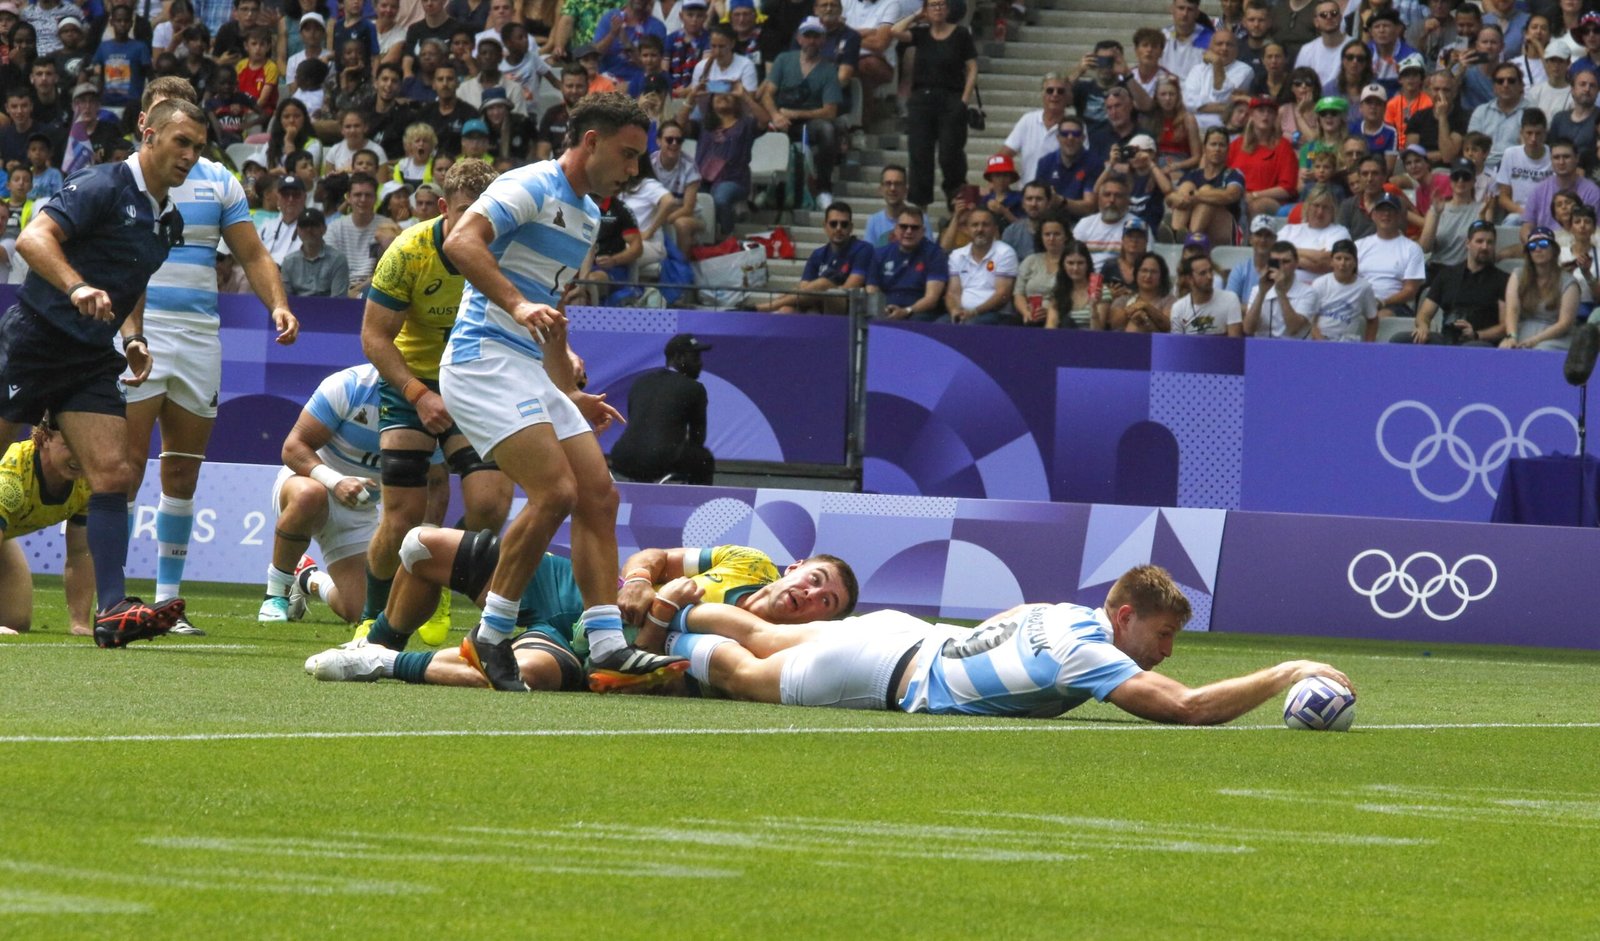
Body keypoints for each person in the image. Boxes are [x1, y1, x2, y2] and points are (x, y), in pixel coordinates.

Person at [438, 91, 678, 691]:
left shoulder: (592, 216)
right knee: (555, 492)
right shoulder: (533, 184)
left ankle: (605, 644)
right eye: (626, 155)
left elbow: (549, 322)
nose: (633, 170)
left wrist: (567, 390)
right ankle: (490, 634)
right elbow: (461, 243)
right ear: (590, 142)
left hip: (524, 367)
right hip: (480, 360)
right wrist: (517, 304)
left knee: (599, 495)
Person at [651, 563, 1353, 727]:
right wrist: (1289, 668)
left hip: (911, 632)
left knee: (767, 630)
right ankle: (652, 650)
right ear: (1126, 614)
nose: (1167, 651)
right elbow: (1189, 708)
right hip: (894, 668)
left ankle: (666, 609)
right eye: (1162, 634)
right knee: (746, 674)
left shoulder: (1066, 610)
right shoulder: (1090, 652)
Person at [0, 97, 206, 647]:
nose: (190, 156)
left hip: (90, 356)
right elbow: (32, 238)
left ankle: (113, 609)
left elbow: (130, 281)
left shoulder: (169, 222)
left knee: (115, 474)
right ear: (150, 135)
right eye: (181, 142)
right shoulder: (101, 186)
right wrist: (77, 287)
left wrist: (133, 336)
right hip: (37, 340)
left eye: (198, 149)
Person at [117, 80, 300, 638]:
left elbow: (253, 252)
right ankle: (113, 596)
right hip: (138, 335)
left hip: (199, 339)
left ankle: (168, 604)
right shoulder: (123, 175)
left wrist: (279, 305)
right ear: (150, 119)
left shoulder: (219, 180)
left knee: (181, 472)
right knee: (122, 472)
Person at [304, 537, 858, 689]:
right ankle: (378, 640)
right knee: (421, 547)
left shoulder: (752, 642)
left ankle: (379, 664)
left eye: (823, 603)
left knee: (525, 676)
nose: (810, 596)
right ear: (795, 566)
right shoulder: (749, 560)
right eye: (815, 580)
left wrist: (661, 610)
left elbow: (659, 657)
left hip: (589, 641)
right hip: (584, 588)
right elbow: (657, 555)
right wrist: (641, 578)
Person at [355, 159, 510, 632]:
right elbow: (375, 337)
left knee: (490, 505)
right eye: (464, 212)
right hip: (413, 383)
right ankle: (371, 618)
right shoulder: (408, 251)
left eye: (485, 214)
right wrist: (419, 394)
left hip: (477, 384)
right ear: (443, 208)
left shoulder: (506, 250)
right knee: (401, 518)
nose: (474, 225)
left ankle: (432, 579)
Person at [258, 363, 407, 625]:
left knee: (360, 613)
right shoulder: (348, 386)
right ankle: (275, 594)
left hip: (359, 511)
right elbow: (292, 448)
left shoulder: (429, 403)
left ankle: (308, 578)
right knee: (309, 495)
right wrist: (335, 482)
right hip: (310, 483)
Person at [0, 418, 91, 636]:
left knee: (16, 620)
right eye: (70, 444)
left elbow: (80, 554)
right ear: (45, 438)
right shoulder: (11, 475)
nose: (79, 455)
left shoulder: (87, 482)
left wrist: (80, 623)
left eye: (84, 445)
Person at [892, 0, 978, 211]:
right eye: (933, 5)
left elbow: (972, 68)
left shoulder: (960, 34)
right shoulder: (921, 34)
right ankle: (920, 207)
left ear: (948, 9)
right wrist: (916, 16)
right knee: (920, 153)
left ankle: (956, 201)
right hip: (922, 99)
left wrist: (964, 101)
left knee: (951, 152)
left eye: (941, 4)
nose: (938, 8)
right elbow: (895, 31)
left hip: (951, 97)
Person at [758, 16, 844, 210]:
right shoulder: (784, 60)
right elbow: (767, 94)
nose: (811, 41)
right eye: (808, 36)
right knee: (751, 125)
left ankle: (823, 189)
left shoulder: (829, 69)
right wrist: (775, 115)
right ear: (799, 38)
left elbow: (830, 111)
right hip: (779, 119)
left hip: (808, 123)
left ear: (823, 40)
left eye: (816, 36)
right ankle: (761, 187)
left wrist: (795, 114)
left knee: (827, 130)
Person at [609, 332, 714, 485]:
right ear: (679, 358)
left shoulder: (641, 382)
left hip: (622, 457)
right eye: (695, 358)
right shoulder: (694, 388)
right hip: (658, 460)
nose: (700, 363)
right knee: (704, 459)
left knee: (652, 451)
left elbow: (637, 424)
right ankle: (697, 506)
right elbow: (697, 438)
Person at [1405, 218, 1510, 344]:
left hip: (1480, 342)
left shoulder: (1503, 279)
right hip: (1447, 338)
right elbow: (1424, 314)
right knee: (1400, 340)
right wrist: (1423, 327)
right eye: (1479, 241)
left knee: (1473, 347)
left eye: (1490, 242)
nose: (1484, 247)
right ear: (1467, 243)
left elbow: (1505, 326)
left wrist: (1476, 334)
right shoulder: (1447, 275)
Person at [690, 85, 768, 241]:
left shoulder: (745, 124)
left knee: (720, 198)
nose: (722, 96)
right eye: (717, 93)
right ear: (711, 101)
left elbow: (765, 120)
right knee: (696, 200)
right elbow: (679, 125)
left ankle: (727, 237)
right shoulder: (704, 124)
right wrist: (690, 97)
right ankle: (706, 240)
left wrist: (746, 96)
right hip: (703, 180)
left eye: (728, 94)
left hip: (734, 179)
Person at [1501, 225, 1579, 348]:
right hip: (1523, 330)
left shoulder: (1568, 282)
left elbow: (1565, 323)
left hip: (1555, 336)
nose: (1537, 249)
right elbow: (1512, 310)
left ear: (1554, 250)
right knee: (1505, 349)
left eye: (1543, 244)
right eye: (1532, 246)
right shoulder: (1517, 275)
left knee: (1541, 349)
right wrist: (1511, 336)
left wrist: (1534, 340)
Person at [866, 206, 948, 321]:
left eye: (914, 228)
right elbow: (872, 288)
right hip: (887, 310)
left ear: (923, 231)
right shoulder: (880, 253)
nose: (909, 231)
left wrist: (907, 311)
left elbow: (931, 299)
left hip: (919, 314)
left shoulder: (935, 254)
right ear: (895, 229)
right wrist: (883, 309)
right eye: (903, 226)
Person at [1170, 126, 1247, 246]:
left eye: (1221, 145)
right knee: (1186, 187)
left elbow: (1231, 195)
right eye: (1213, 144)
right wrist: (1179, 198)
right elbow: (1171, 198)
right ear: (1204, 148)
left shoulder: (1233, 174)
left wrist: (1197, 195)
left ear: (1228, 150)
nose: (1217, 149)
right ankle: (1176, 237)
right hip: (1197, 224)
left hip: (1227, 231)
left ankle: (1191, 242)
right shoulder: (1193, 174)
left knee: (1206, 193)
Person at [1355, 191, 1426, 318]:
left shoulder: (1412, 249)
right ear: (1374, 215)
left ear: (1399, 216)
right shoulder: (1359, 246)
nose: (1386, 214)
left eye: (1391, 210)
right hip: (1360, 303)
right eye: (1381, 210)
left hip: (1395, 306)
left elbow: (1410, 291)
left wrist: (1383, 302)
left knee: (1381, 316)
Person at [945, 207, 1019, 325]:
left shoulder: (1005, 252)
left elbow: (1002, 295)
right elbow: (952, 293)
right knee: (938, 326)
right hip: (964, 313)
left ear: (995, 229)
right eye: (975, 225)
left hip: (996, 314)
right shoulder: (957, 255)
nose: (980, 229)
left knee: (971, 326)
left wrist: (974, 312)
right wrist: (955, 311)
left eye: (985, 225)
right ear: (967, 229)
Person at [998, 73, 1073, 188]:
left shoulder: (1075, 126)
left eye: (1060, 91)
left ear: (1067, 96)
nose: (1055, 94)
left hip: (1060, 196)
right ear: (1042, 94)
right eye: (1050, 90)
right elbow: (1004, 155)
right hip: (1026, 196)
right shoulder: (1028, 120)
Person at [1228, 96, 1300, 215]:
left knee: (1255, 206)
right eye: (1261, 110)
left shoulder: (1283, 146)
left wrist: (1255, 195)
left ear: (1275, 117)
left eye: (1270, 112)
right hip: (1237, 196)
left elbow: (1288, 188)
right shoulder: (1237, 144)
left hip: (1269, 200)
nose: (1265, 115)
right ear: (1251, 114)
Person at [1421, 158, 1490, 268]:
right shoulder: (1436, 208)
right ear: (1450, 180)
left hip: (1466, 271)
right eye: (1456, 176)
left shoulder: (1483, 209)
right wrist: (1437, 214)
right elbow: (1425, 247)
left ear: (1473, 181)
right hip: (1438, 268)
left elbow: (1484, 246)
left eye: (1466, 177)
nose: (1460, 180)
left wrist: (1482, 217)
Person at [1244, 240, 1320, 337]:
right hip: (1263, 347)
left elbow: (1293, 328)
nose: (1281, 267)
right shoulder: (1257, 290)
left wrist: (1281, 292)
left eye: (1285, 262)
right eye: (1275, 262)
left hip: (1294, 349)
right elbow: (1248, 329)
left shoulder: (1309, 293)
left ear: (1296, 263)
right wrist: (1261, 293)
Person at [1309, 237, 1380, 340]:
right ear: (1331, 261)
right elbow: (1311, 319)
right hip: (1320, 339)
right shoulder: (1320, 283)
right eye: (1338, 258)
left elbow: (1372, 319)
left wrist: (1368, 346)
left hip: (1348, 341)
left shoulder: (1364, 287)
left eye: (1347, 259)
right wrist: (1321, 341)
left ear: (1355, 263)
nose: (1342, 264)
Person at [1279, 184, 1353, 282]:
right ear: (1308, 207)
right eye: (1316, 205)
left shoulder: (1339, 232)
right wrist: (1315, 255)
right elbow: (1274, 257)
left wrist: (1288, 254)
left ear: (1333, 210)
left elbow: (1325, 264)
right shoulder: (1288, 230)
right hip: (1284, 288)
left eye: (1325, 207)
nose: (1320, 212)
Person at [1035, 115, 1103, 218]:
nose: (1070, 138)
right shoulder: (1045, 163)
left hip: (1082, 223)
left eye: (1075, 134)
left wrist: (1060, 201)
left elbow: (1090, 207)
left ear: (1083, 138)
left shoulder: (1094, 163)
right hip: (1050, 222)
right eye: (1065, 134)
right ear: (1058, 138)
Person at [1012, 213, 1069, 326]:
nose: (1051, 238)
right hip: (1029, 316)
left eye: (1056, 234)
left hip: (1060, 317)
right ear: (1041, 237)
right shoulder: (1031, 260)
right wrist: (1026, 312)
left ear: (1066, 236)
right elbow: (1018, 293)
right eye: (1047, 234)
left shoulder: (1072, 263)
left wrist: (1049, 312)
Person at [1098, 251, 1174, 332]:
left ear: (1161, 276)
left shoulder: (1169, 300)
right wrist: (1135, 310)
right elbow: (1115, 323)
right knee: (1136, 320)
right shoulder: (1123, 299)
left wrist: (1146, 307)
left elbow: (1169, 327)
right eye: (1144, 270)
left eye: (1154, 272)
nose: (1148, 276)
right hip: (1123, 342)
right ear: (1136, 274)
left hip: (1156, 343)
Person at [280, 208, 349, 296]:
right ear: (298, 230)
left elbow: (339, 300)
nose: (309, 229)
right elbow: (286, 298)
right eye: (304, 225)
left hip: (329, 308)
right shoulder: (288, 262)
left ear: (324, 229)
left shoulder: (338, 259)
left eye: (314, 225)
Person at [1170, 254, 1244, 335]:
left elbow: (1235, 342)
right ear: (1190, 279)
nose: (1209, 277)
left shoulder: (1230, 299)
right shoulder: (1179, 308)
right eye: (1203, 273)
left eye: (1210, 271)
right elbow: (1177, 344)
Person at [862, 165, 931, 248]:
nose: (892, 188)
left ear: (906, 190)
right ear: (881, 189)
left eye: (898, 184)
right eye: (888, 183)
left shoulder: (921, 219)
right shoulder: (873, 221)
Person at [1046, 242, 1096, 329]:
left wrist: (1094, 308)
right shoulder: (1058, 292)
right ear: (1063, 265)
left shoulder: (1099, 291)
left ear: (1087, 264)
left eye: (1080, 263)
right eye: (1070, 263)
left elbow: (1099, 333)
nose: (1075, 268)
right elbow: (1050, 326)